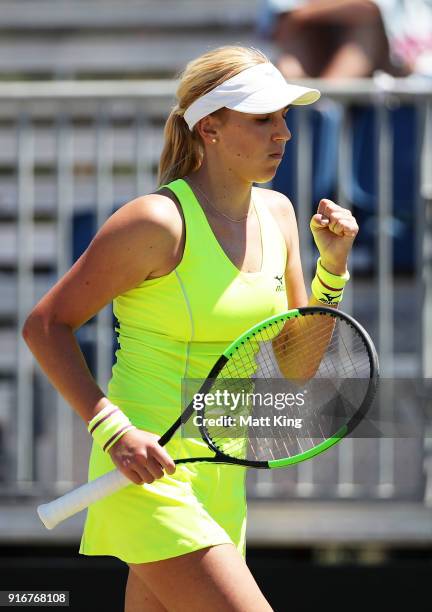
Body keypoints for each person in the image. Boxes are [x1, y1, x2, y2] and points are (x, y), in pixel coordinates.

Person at [22, 46, 358, 612]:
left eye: (284, 118)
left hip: (221, 479)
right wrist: (112, 431)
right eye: (262, 119)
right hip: (145, 477)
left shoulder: (279, 215)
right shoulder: (154, 221)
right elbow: (46, 325)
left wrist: (333, 268)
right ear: (210, 129)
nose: (284, 133)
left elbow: (298, 364)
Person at [258, 0, 396, 78]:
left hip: (384, 67)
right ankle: (312, 109)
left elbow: (370, 9)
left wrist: (305, 13)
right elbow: (283, 26)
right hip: (309, 58)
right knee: (291, 54)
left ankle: (327, 105)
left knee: (365, 31)